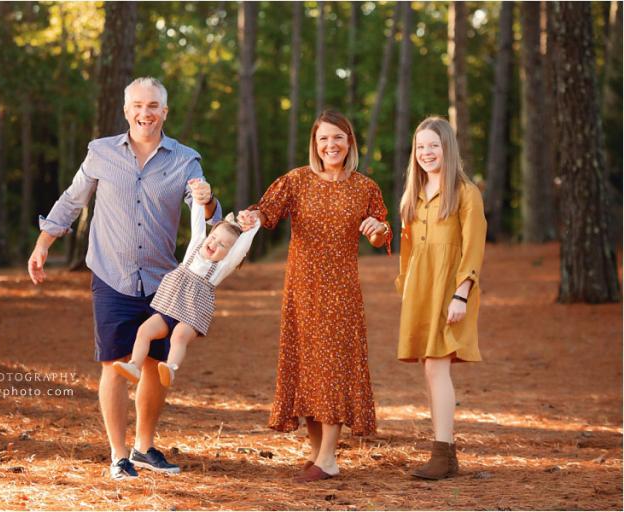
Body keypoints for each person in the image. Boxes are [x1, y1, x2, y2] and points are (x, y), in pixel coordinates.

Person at [27, 77, 222, 480]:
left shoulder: (186, 160)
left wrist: (208, 200)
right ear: (126, 110)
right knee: (115, 363)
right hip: (111, 275)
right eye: (137, 105)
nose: (145, 113)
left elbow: (209, 220)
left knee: (155, 364)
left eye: (153, 106)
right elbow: (72, 199)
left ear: (165, 112)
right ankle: (119, 456)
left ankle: (145, 446)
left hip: (161, 280)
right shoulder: (100, 152)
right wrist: (44, 243)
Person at [238, 110, 391, 482]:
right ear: (315, 144)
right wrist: (250, 218)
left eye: (338, 137)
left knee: (334, 370)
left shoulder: (364, 187)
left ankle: (328, 459)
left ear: (349, 142)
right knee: (306, 368)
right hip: (302, 291)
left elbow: (382, 235)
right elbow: (266, 213)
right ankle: (316, 454)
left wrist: (378, 228)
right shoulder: (297, 181)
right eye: (323, 139)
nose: (330, 145)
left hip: (341, 293)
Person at [395, 116, 486, 480]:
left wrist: (461, 294)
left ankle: (443, 452)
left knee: (437, 366)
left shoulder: (466, 193)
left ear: (447, 147)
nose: (426, 153)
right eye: (420, 147)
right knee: (430, 369)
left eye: (433, 145)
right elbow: (407, 248)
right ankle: (444, 452)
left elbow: (473, 249)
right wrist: (406, 287)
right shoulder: (413, 195)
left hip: (451, 289)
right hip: (420, 289)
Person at [113, 183, 261, 388]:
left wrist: (253, 229)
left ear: (229, 254)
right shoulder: (196, 246)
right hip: (169, 305)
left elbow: (241, 249)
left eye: (222, 245)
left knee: (179, 336)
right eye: (214, 238)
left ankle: (170, 369)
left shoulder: (220, 268)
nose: (214, 244)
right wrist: (197, 196)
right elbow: (198, 222)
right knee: (144, 330)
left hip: (192, 312)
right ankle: (134, 365)